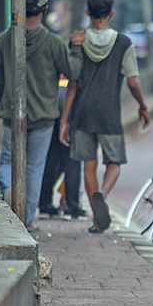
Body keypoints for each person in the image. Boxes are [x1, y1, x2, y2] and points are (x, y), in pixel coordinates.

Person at [0, 0, 84, 228]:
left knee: (9, 162)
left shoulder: (3, 41)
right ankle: (26, 221)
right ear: (44, 10)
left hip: (12, 115)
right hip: (43, 119)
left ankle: (9, 189)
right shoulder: (53, 43)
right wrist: (76, 46)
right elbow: (72, 71)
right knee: (34, 168)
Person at [60, 0, 150, 233]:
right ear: (111, 13)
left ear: (88, 13)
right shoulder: (123, 43)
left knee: (89, 166)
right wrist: (142, 106)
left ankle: (98, 220)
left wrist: (65, 120)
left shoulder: (77, 40)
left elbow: (73, 83)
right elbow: (132, 82)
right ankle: (103, 194)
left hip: (82, 113)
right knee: (114, 163)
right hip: (109, 114)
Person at [38, 78, 86, 219]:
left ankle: (45, 203)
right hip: (70, 95)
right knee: (72, 156)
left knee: (52, 156)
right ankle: (72, 206)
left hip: (49, 97)